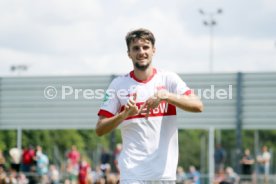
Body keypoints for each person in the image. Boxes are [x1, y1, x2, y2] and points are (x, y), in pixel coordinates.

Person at [96, 28, 203, 183]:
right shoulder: (118, 85)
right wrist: (124, 114)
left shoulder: (168, 79)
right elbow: (100, 129)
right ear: (129, 53)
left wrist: (167, 96)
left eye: (145, 47)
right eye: (136, 48)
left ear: (154, 50)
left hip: (164, 175)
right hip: (132, 174)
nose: (141, 52)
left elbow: (198, 105)